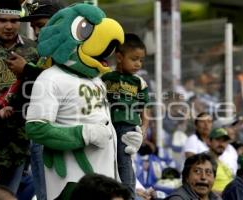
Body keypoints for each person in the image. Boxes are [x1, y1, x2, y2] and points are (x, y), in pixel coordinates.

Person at [25, 3, 139, 199]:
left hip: (104, 177)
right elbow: (36, 129)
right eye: (85, 29)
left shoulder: (96, 80)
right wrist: (84, 134)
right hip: (70, 182)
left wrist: (125, 139)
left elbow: (100, 121)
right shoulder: (50, 78)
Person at [0, 0, 39, 194]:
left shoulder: (33, 50)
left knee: (9, 194)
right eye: (2, 20)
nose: (9, 26)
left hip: (20, 142)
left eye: (14, 20)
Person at [8, 1, 64, 199]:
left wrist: (27, 69)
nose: (37, 32)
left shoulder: (71, 51)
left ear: (59, 21)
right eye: (33, 27)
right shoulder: (44, 52)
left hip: (57, 134)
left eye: (41, 25)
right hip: (35, 134)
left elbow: (63, 82)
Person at [101, 33, 149, 199]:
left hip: (128, 127)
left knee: (124, 162)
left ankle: (128, 195)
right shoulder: (105, 77)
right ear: (119, 57)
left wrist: (143, 129)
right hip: (107, 126)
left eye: (141, 60)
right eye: (134, 59)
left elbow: (145, 109)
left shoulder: (139, 82)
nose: (138, 64)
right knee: (109, 163)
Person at [208, 128, 233, 193]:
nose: (221, 144)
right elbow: (197, 188)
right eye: (218, 140)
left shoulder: (221, 162)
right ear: (209, 141)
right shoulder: (203, 161)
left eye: (224, 141)